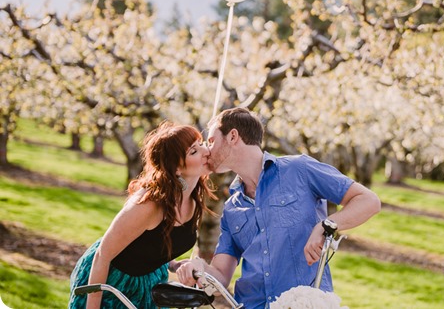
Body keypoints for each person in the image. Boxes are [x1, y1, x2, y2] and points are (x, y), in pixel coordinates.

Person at [176, 107, 381, 309]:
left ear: (233, 136)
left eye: (211, 141)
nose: (207, 150)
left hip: (304, 303)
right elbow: (220, 276)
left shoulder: (299, 169)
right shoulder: (231, 207)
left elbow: (368, 200)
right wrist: (200, 268)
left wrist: (326, 226)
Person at [68, 121, 216, 309]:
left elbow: (153, 241)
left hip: (149, 283)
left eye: (201, 144)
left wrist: (175, 265)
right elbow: (102, 256)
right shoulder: (149, 204)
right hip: (110, 281)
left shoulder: (193, 202)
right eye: (194, 151)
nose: (206, 151)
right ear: (176, 168)